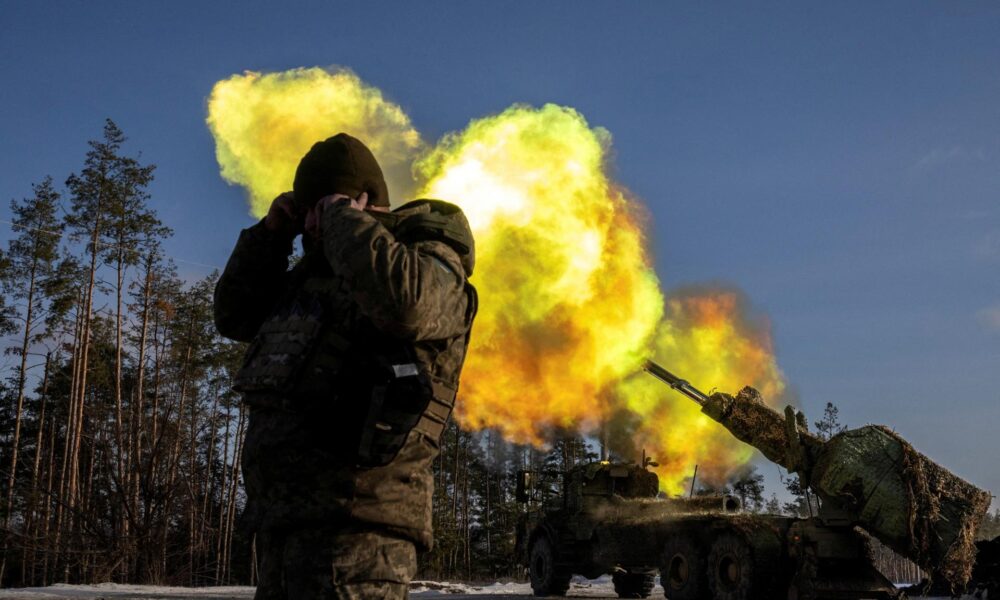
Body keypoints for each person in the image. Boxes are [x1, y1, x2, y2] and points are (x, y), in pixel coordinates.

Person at [214, 133, 478, 599]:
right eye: (308, 210)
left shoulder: (428, 257)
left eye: (324, 206)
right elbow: (234, 315)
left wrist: (343, 219)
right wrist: (271, 236)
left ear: (362, 202)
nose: (313, 224)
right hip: (284, 527)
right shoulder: (315, 277)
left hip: (360, 534)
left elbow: (409, 306)